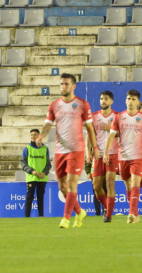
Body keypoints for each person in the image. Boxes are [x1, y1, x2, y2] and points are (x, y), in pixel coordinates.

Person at [36, 73, 99, 228]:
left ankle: (65, 218)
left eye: (66, 84)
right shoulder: (54, 105)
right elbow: (47, 124)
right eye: (61, 84)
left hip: (76, 149)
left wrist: (95, 147)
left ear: (73, 86)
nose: (63, 87)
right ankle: (80, 212)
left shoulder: (83, 104)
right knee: (62, 187)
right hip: (59, 150)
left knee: (71, 185)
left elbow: (90, 129)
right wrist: (42, 135)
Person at [104, 89, 142, 224]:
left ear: (138, 102)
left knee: (135, 184)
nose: (131, 102)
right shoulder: (119, 117)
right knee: (128, 185)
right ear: (125, 100)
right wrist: (106, 152)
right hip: (123, 156)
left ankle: (131, 213)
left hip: (138, 156)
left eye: (133, 99)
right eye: (129, 99)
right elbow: (111, 135)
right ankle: (135, 212)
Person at [86, 90, 119, 223]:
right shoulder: (93, 117)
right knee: (96, 186)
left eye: (106, 99)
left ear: (111, 101)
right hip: (98, 156)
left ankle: (108, 215)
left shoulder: (117, 116)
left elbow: (123, 134)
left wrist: (110, 129)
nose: (103, 101)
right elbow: (89, 137)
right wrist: (87, 153)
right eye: (101, 99)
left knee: (110, 182)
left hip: (113, 154)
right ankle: (107, 207)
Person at [20, 129, 52, 217]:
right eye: (31, 135)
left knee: (40, 198)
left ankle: (41, 216)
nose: (33, 136)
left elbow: (48, 164)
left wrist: (44, 173)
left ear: (39, 136)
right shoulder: (27, 149)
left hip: (42, 178)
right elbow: (23, 163)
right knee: (29, 198)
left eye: (35, 135)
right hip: (31, 177)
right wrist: (31, 171)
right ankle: (27, 217)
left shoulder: (45, 149)